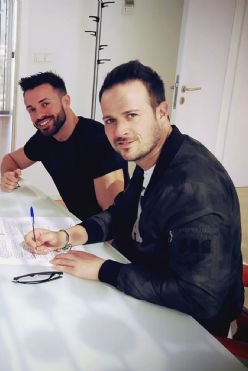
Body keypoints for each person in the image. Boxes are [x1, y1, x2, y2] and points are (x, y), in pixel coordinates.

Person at [25, 60, 244, 336]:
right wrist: (66, 236)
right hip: (144, 287)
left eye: (131, 115)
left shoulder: (196, 189)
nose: (119, 132)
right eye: (110, 120)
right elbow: (121, 213)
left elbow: (201, 298)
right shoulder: (152, 157)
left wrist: (105, 270)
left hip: (192, 328)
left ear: (161, 111)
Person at [0, 72, 128, 220]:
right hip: (79, 226)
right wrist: (8, 176)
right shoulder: (44, 139)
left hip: (111, 237)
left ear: (66, 101)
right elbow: (10, 159)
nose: (39, 115)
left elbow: (113, 218)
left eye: (45, 104)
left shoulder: (98, 141)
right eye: (32, 109)